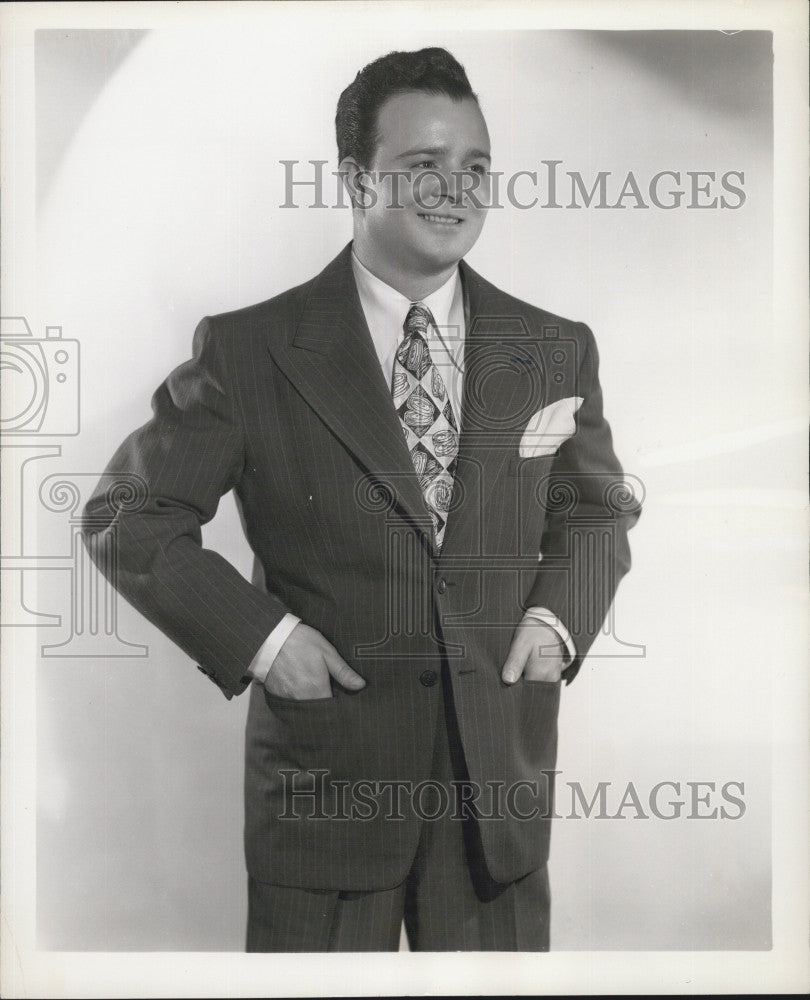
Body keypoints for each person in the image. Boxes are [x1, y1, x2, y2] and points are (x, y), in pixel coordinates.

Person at [82, 47, 639, 952]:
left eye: (475, 169)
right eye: (423, 167)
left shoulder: (553, 347)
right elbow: (126, 514)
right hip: (325, 793)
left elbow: (596, 509)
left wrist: (558, 618)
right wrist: (265, 640)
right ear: (352, 178)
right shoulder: (250, 349)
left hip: (495, 795)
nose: (454, 192)